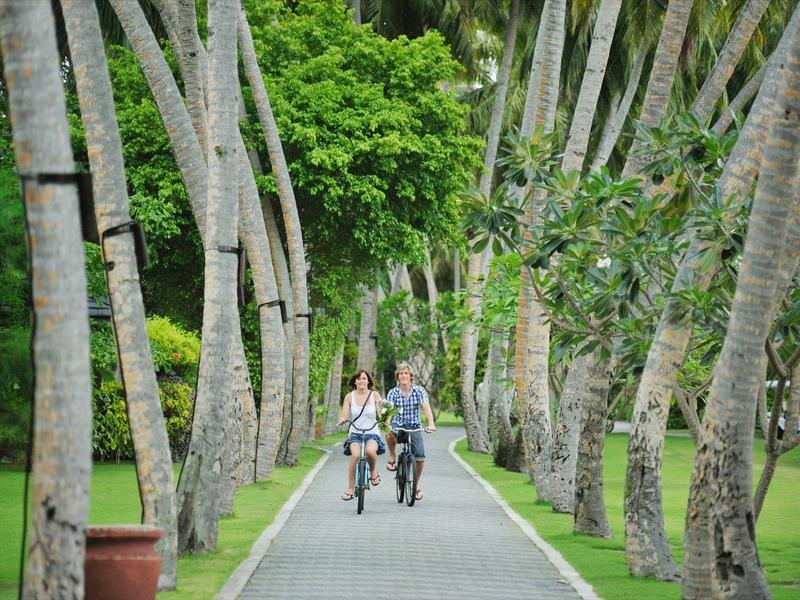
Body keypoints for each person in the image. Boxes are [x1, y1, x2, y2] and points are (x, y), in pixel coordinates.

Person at [385, 362, 435, 501]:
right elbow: (389, 412)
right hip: (398, 424)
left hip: (414, 426)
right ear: (398, 376)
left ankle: (416, 485)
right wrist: (388, 424)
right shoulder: (393, 393)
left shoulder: (419, 391)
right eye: (401, 373)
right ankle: (392, 456)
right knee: (389, 433)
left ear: (410, 376)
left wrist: (431, 424)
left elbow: (426, 407)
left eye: (406, 373)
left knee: (419, 456)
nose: (404, 376)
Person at [337, 369, 386, 501]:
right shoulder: (349, 396)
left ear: (368, 381)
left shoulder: (375, 395)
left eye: (364, 378)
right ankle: (350, 489)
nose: (361, 381)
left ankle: (373, 472)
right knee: (356, 455)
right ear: (355, 381)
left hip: (372, 432)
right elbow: (345, 414)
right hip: (355, 432)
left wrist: (385, 419)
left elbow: (381, 412)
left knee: (370, 451)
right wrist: (342, 419)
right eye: (358, 379)